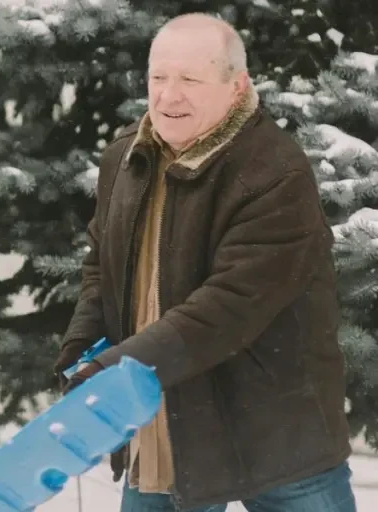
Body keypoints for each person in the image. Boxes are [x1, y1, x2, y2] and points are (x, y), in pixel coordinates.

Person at [53, 13, 356, 512]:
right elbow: (100, 269)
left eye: (190, 80)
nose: (170, 97)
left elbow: (226, 309)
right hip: (167, 428)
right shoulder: (125, 159)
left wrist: (115, 367)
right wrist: (81, 350)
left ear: (236, 87)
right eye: (159, 78)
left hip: (277, 434)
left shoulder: (275, 172)